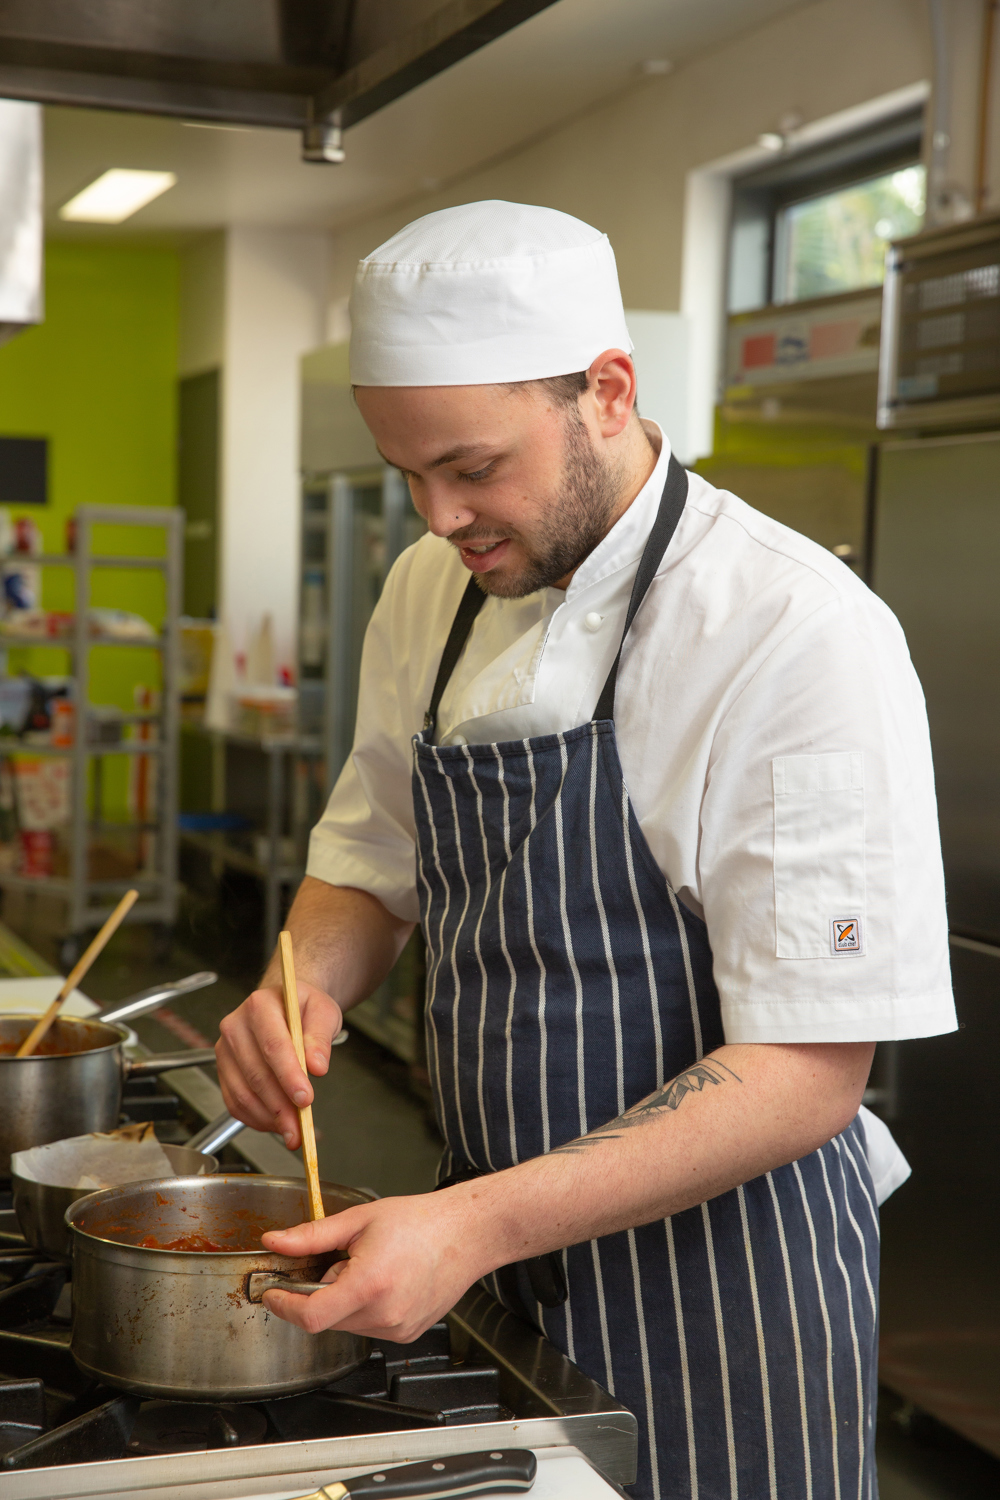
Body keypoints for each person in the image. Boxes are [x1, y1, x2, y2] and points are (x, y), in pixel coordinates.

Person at [216, 201, 956, 1500]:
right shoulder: (427, 593)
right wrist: (303, 987)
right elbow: (370, 863)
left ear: (607, 393)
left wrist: (473, 1222)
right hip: (492, 1253)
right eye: (408, 475)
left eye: (473, 467)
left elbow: (810, 1071)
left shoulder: (792, 629)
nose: (439, 515)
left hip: (732, 1292)